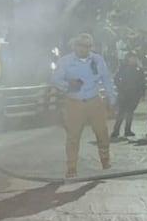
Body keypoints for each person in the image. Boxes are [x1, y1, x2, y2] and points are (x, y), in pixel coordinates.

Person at [50, 33, 117, 178]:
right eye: (80, 45)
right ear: (74, 46)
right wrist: (68, 85)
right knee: (73, 136)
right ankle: (71, 167)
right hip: (74, 103)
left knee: (102, 133)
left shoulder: (98, 60)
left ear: (91, 47)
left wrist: (112, 100)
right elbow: (55, 79)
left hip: (94, 101)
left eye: (87, 46)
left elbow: (107, 81)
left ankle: (105, 161)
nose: (83, 49)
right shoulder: (65, 61)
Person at [111, 51, 145, 139]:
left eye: (134, 58)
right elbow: (116, 79)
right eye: (131, 57)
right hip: (124, 94)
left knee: (130, 113)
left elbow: (142, 82)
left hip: (134, 94)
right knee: (121, 113)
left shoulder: (138, 69)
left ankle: (127, 130)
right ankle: (116, 130)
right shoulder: (123, 68)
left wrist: (141, 94)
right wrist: (121, 88)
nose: (133, 59)